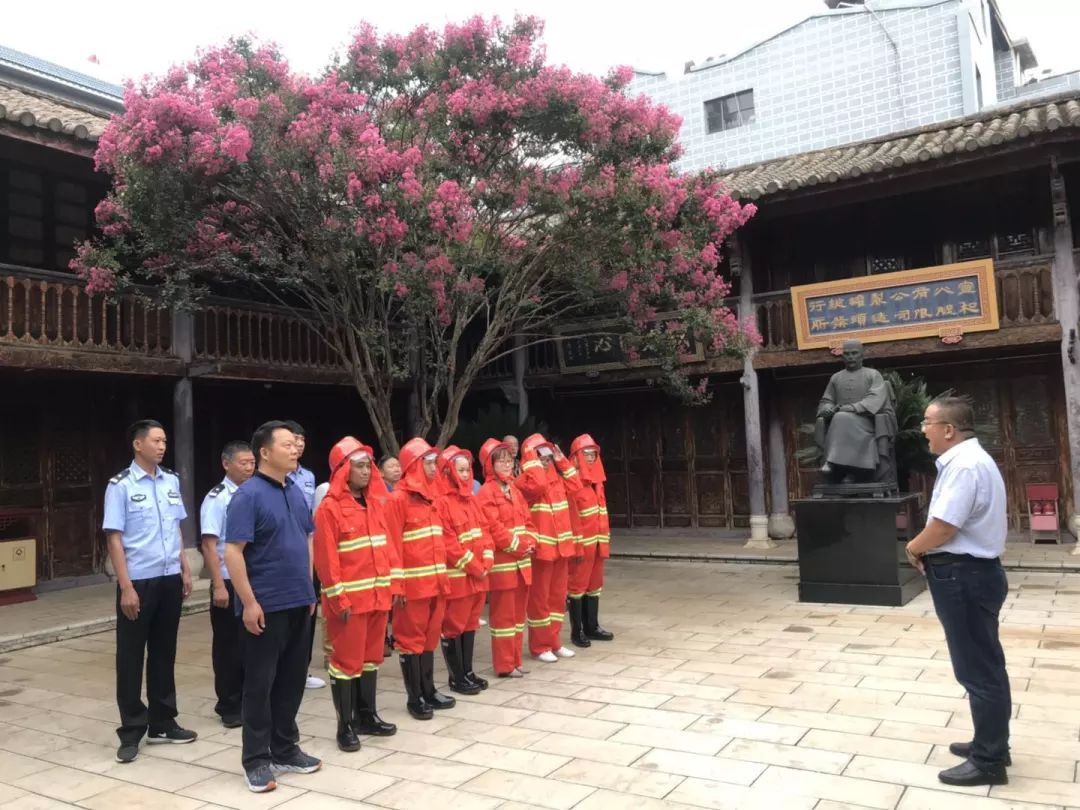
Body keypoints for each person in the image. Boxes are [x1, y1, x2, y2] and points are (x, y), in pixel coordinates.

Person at [906, 396, 1010, 787]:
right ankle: (991, 741)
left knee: (978, 670)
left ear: (948, 429)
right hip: (973, 574)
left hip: (964, 575)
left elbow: (945, 526)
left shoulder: (964, 465)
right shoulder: (970, 460)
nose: (923, 430)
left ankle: (989, 761)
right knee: (984, 665)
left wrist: (913, 546)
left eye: (927, 423)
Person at [224, 421, 322, 793]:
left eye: (296, 444)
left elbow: (307, 539)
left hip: (299, 601)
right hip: (265, 605)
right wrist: (248, 602)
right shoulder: (247, 495)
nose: (295, 448)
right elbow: (232, 551)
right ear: (265, 452)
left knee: (292, 680)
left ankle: (285, 748)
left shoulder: (295, 491)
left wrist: (310, 589)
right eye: (286, 444)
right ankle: (256, 760)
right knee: (260, 685)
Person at [102, 419, 197, 764]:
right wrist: (125, 586)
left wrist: (185, 568)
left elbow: (175, 529)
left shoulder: (171, 480)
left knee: (163, 652)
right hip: (138, 581)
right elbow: (114, 537)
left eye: (165, 441)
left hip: (169, 576)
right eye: (156, 441)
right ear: (138, 445)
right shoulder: (121, 486)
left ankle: (163, 721)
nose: (162, 446)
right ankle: (131, 730)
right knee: (130, 657)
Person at [313, 437, 398, 752]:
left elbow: (387, 549)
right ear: (343, 470)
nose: (366, 471)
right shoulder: (330, 509)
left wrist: (391, 589)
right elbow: (326, 560)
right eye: (359, 466)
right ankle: (345, 726)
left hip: (377, 598)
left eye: (368, 466)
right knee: (346, 663)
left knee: (372, 660)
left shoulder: (377, 503)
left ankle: (367, 716)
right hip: (350, 603)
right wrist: (338, 599)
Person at [385, 437, 454, 719]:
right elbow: (391, 544)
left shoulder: (434, 498)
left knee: (429, 639)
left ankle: (429, 689)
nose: (434, 468)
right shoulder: (397, 500)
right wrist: (397, 585)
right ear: (413, 465)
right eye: (428, 463)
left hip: (436, 584)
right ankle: (415, 698)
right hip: (412, 588)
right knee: (410, 641)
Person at [199, 440, 256, 728]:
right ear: (226, 464)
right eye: (243, 463)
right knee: (227, 646)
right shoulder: (217, 498)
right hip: (228, 581)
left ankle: (249, 699)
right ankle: (229, 704)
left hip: (251, 579)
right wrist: (218, 585)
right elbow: (209, 545)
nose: (249, 467)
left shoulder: (255, 493)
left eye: (252, 462)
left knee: (251, 643)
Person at [516, 433, 581, 663]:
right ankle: (540, 645)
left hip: (561, 550)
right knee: (539, 601)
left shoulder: (557, 479)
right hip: (542, 552)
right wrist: (532, 462)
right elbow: (537, 483)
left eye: (547, 456)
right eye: (540, 456)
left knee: (556, 600)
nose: (546, 461)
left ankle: (554, 642)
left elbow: (576, 485)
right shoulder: (527, 482)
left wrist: (561, 460)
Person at [435, 446, 494, 694]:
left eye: (467, 469)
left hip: (478, 577)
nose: (466, 474)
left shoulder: (471, 500)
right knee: (453, 627)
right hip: (459, 578)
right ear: (448, 473)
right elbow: (449, 544)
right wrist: (475, 566)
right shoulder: (441, 503)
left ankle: (468, 672)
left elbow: (486, 532)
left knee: (470, 625)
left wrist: (487, 560)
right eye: (460, 470)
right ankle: (456, 677)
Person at [477, 438, 536, 678]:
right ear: (490, 465)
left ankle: (516, 660)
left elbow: (528, 521)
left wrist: (532, 542)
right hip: (504, 566)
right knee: (503, 618)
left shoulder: (514, 489)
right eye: (501, 461)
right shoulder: (486, 493)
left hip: (522, 564)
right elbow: (494, 528)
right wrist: (519, 546)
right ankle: (504, 665)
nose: (507, 465)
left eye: (509, 460)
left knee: (518, 617)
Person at [815, 339, 898, 486]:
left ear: (862, 355)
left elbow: (875, 398)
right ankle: (846, 471)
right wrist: (827, 409)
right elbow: (826, 400)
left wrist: (853, 408)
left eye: (854, 353)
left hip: (867, 421)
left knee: (841, 417)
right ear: (842, 357)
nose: (851, 357)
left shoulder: (873, 375)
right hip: (839, 421)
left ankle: (832, 463)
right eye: (847, 354)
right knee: (840, 418)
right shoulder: (836, 377)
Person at [284, 420, 326, 691]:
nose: (298, 444)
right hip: (284, 551)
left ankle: (303, 668)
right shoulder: (274, 477)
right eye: (292, 440)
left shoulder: (308, 477)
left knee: (308, 611)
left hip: (306, 549)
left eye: (301, 439)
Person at [566, 434, 614, 647]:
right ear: (576, 457)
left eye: (593, 454)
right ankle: (577, 632)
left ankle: (592, 627)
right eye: (586, 454)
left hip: (597, 544)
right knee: (577, 587)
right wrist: (575, 546)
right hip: (582, 545)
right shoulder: (573, 483)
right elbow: (571, 518)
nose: (591, 458)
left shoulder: (597, 482)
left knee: (594, 586)